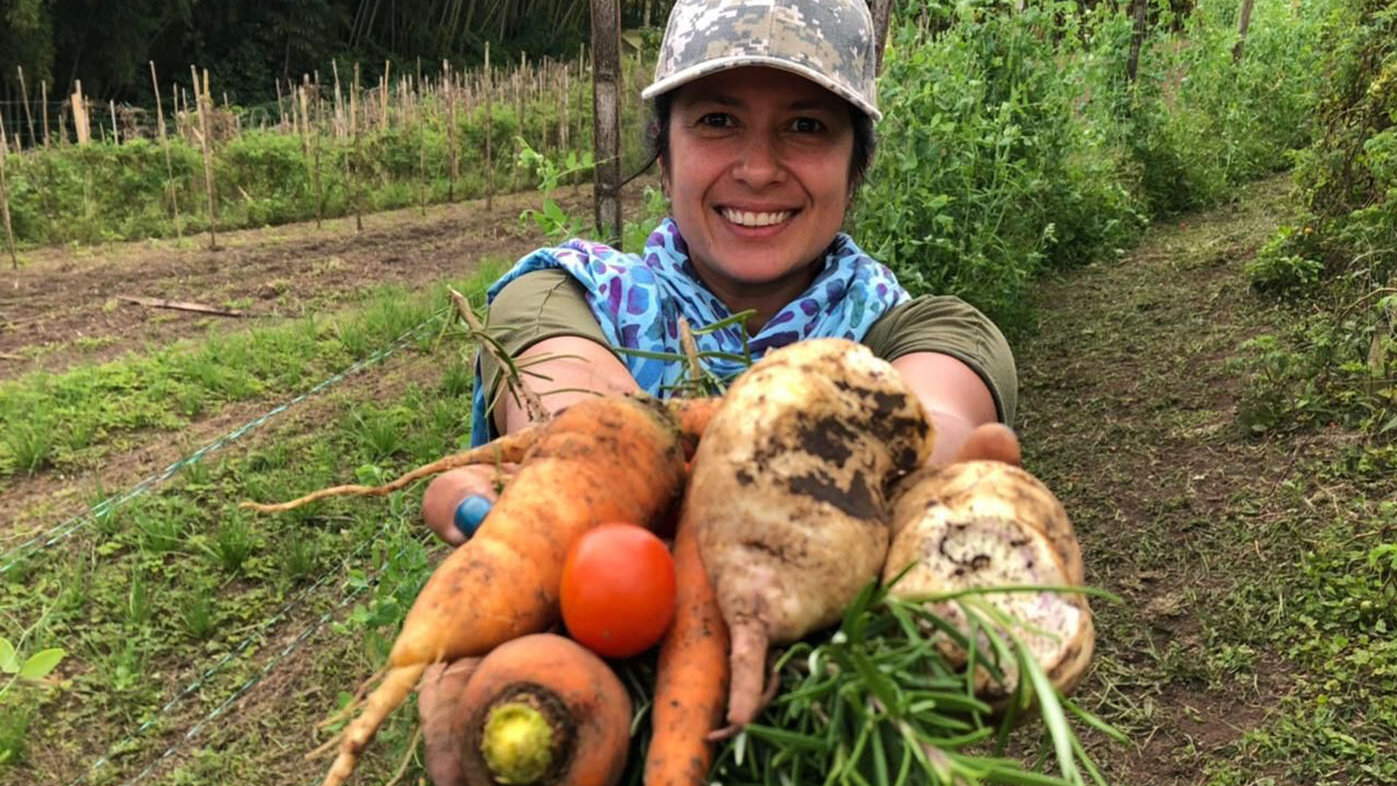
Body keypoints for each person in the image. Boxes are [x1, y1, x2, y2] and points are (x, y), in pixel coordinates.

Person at [415, 0, 1019, 782]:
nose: (759, 168)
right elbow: (589, 429)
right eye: (716, 121)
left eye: (805, 126)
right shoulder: (562, 296)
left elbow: (933, 412)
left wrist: (924, 476)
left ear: (855, 164)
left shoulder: (915, 333)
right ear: (663, 153)